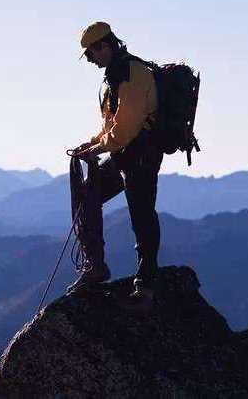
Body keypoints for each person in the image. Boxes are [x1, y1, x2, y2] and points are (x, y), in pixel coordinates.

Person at [66, 21, 164, 310]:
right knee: (88, 196)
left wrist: (97, 148)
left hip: (142, 155)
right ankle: (94, 266)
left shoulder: (133, 73)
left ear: (104, 46)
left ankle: (146, 287)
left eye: (91, 54)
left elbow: (126, 128)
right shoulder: (116, 74)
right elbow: (112, 125)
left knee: (142, 216)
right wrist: (92, 143)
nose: (91, 60)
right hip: (125, 154)